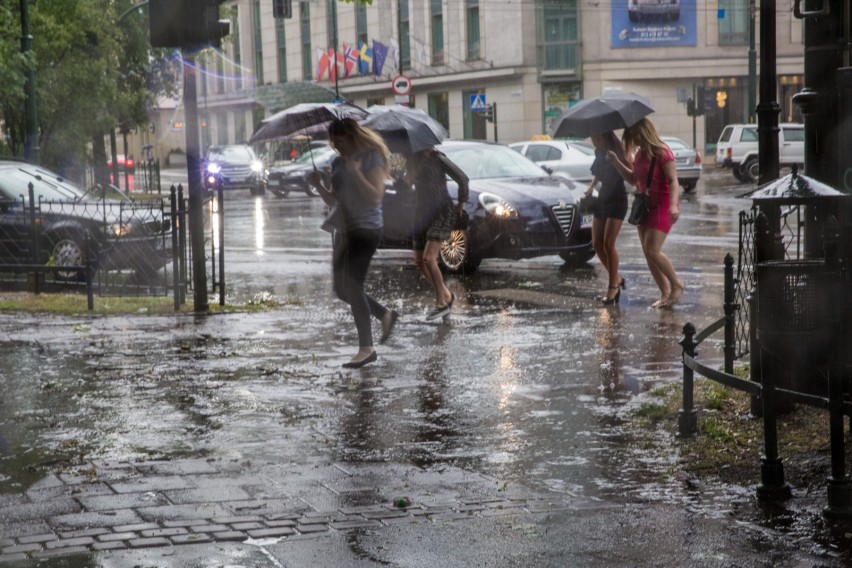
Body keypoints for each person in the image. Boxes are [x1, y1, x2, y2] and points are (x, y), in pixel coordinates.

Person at [307, 118, 399, 368]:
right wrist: (318, 186)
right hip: (344, 229)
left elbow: (375, 196)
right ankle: (384, 314)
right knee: (341, 289)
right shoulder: (338, 162)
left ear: (351, 136)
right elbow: (333, 201)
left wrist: (356, 172)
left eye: (340, 140)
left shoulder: (371, 157)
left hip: (366, 228)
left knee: (353, 283)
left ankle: (366, 348)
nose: (336, 145)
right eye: (333, 141)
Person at [606, 117, 685, 308]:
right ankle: (665, 293)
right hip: (645, 206)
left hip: (663, 205)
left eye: (637, 137)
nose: (636, 141)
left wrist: (674, 205)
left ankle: (677, 285)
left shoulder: (663, 152)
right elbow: (634, 179)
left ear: (645, 133)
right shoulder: (640, 155)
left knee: (652, 249)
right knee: (648, 253)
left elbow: (674, 181)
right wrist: (616, 162)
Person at [403, 148, 469, 320]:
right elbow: (405, 186)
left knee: (428, 258)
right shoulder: (411, 162)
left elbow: (462, 178)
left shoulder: (438, 158)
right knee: (420, 261)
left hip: (442, 211)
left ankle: (442, 302)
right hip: (421, 214)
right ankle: (447, 295)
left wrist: (461, 202)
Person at [584, 131, 628, 305]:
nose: (594, 141)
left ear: (605, 136)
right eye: (593, 138)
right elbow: (598, 173)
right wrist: (591, 187)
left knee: (609, 244)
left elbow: (628, 173)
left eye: (597, 137)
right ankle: (617, 277)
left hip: (617, 198)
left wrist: (616, 160)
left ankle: (613, 287)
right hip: (603, 198)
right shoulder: (599, 152)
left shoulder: (617, 151)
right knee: (596, 243)